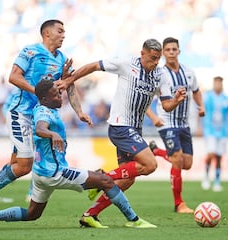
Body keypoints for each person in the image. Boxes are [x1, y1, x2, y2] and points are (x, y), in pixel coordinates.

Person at [0, 79, 157, 230]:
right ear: (45, 98)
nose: (60, 97)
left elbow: (47, 115)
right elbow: (39, 128)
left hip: (40, 174)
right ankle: (134, 220)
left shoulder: (45, 108)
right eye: (56, 94)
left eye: (59, 92)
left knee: (32, 214)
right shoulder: (44, 112)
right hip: (55, 172)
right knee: (105, 182)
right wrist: (52, 133)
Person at [56, 38, 187, 227]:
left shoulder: (161, 74)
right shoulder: (126, 63)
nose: (155, 63)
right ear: (142, 54)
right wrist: (70, 79)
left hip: (135, 129)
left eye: (158, 59)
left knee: (127, 181)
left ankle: (90, 214)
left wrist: (176, 100)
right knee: (150, 165)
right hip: (120, 127)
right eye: (152, 58)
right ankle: (101, 179)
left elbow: (166, 106)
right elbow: (94, 66)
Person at [0, 19, 91, 214]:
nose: (64, 35)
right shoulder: (30, 51)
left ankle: (2, 190)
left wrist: (79, 112)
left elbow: (69, 85)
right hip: (21, 113)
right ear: (46, 33)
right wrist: (37, 91)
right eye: (60, 31)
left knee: (18, 163)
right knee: (24, 165)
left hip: (41, 116)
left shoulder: (62, 58)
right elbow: (13, 76)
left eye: (64, 32)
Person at [147, 37, 205, 213]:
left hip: (184, 124)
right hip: (167, 123)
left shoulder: (188, 72)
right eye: (168, 50)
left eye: (174, 49)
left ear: (179, 51)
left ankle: (156, 151)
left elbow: (196, 91)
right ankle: (179, 204)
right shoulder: (158, 74)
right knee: (178, 160)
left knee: (186, 164)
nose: (171, 52)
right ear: (163, 53)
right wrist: (154, 117)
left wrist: (201, 105)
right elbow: (145, 99)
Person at [199, 76, 228, 192]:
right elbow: (200, 110)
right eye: (216, 83)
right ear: (213, 83)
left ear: (222, 84)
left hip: (223, 132)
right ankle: (206, 177)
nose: (218, 85)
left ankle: (217, 181)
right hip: (209, 130)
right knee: (211, 154)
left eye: (219, 83)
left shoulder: (227, 99)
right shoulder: (207, 97)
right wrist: (200, 127)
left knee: (219, 156)